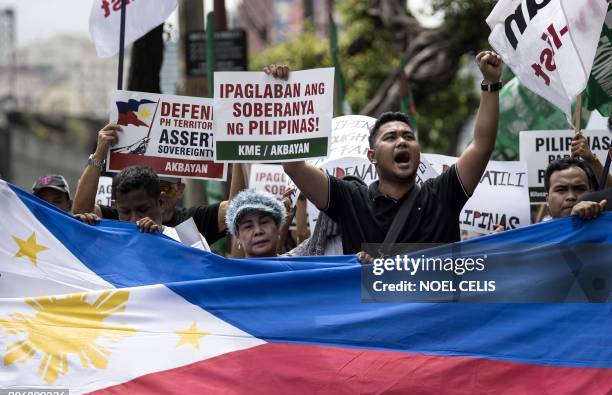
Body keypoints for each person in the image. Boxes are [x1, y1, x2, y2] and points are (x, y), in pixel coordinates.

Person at [277, 51, 503, 254]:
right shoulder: (351, 200)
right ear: (372, 156)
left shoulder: (442, 195)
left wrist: (490, 84)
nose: (402, 142)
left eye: (408, 136)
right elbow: (294, 167)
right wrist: (286, 95)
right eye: (390, 137)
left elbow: (482, 146)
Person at [71, 123, 228, 245]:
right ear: (117, 205)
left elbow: (239, 209)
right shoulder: (115, 219)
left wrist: (237, 154)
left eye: (166, 188)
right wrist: (98, 155)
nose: (134, 219)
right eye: (125, 211)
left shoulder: (190, 224)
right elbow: (79, 212)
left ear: (159, 200)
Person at [225, 189, 286, 258]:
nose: (258, 231)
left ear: (278, 227)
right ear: (237, 237)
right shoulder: (229, 269)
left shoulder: (296, 267)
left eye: (264, 222)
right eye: (248, 226)